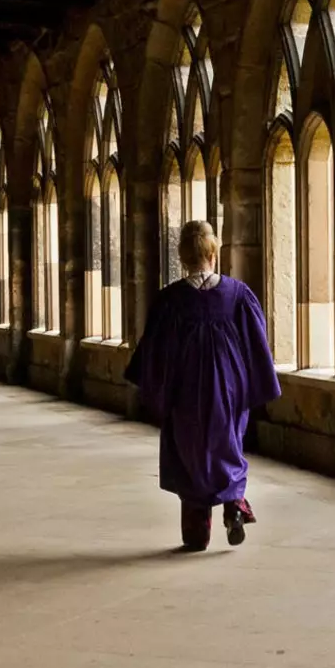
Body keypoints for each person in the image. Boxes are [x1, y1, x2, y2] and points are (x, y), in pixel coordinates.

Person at [124, 220, 281, 551]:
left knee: (189, 455)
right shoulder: (238, 295)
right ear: (214, 251)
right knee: (228, 448)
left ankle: (197, 532)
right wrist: (251, 384)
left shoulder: (170, 300)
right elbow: (256, 344)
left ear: (182, 256)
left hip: (185, 392)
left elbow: (154, 349)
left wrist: (154, 389)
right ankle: (235, 507)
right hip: (228, 390)